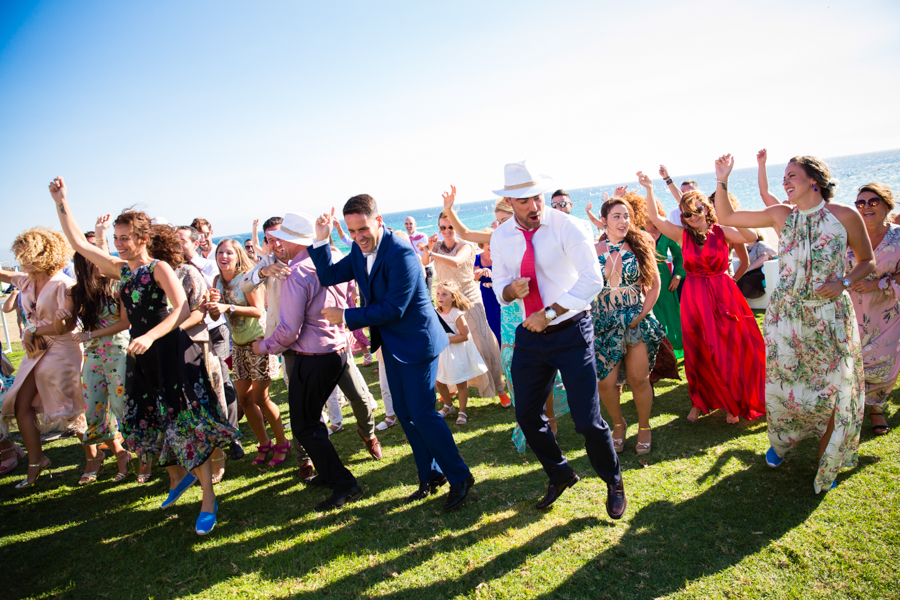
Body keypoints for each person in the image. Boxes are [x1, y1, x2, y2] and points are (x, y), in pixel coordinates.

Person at [51, 177, 240, 534]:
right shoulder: (123, 271)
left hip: (170, 350)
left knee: (187, 423)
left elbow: (182, 308)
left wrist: (151, 335)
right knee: (154, 421)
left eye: (126, 238)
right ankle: (179, 479)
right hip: (144, 357)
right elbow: (78, 243)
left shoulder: (159, 268)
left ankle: (209, 500)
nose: (120, 244)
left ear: (142, 239)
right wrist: (62, 201)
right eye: (117, 238)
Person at [712, 154, 871, 493]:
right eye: (784, 176)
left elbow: (866, 261)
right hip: (787, 317)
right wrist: (722, 179)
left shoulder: (844, 215)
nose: (786, 182)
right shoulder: (781, 215)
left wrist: (843, 282)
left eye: (792, 176)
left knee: (835, 386)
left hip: (829, 316)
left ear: (815, 180)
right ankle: (782, 442)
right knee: (787, 387)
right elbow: (725, 215)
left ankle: (826, 456)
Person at [310, 196, 474, 510]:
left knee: (423, 414)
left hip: (417, 343)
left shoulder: (401, 254)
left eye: (363, 229)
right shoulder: (359, 251)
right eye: (352, 231)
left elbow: (393, 308)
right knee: (405, 413)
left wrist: (346, 316)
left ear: (379, 221)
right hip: (393, 345)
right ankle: (429, 476)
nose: (358, 237)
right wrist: (321, 241)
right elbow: (329, 276)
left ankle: (460, 475)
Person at [490, 160, 626, 518]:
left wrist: (549, 313)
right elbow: (500, 291)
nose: (533, 207)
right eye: (523, 202)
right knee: (526, 415)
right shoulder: (501, 236)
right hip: (530, 337)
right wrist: (509, 290)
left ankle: (613, 480)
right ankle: (560, 472)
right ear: (510, 203)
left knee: (586, 420)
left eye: (536, 198)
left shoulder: (566, 226)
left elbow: (592, 279)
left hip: (571, 330)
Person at [251, 213, 365, 511]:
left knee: (304, 426)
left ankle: (345, 484)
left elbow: (289, 330)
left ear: (292, 241)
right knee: (310, 422)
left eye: (279, 239)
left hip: (314, 358)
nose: (276, 245)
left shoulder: (297, 272)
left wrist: (262, 346)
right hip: (336, 352)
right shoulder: (325, 263)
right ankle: (331, 475)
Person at [440, 190, 568, 442]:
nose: (499, 226)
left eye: (503, 220)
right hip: (508, 312)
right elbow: (465, 234)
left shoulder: (540, 236)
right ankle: (529, 420)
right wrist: (450, 209)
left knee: (544, 369)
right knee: (513, 369)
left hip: (533, 309)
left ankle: (549, 417)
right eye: (497, 221)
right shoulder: (498, 238)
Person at [642, 170, 765, 424]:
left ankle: (733, 402)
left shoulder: (722, 232)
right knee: (698, 349)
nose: (692, 217)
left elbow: (752, 237)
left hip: (723, 291)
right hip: (694, 295)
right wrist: (650, 189)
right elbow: (654, 217)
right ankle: (700, 400)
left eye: (698, 211)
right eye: (687, 214)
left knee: (727, 347)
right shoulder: (681, 235)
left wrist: (728, 215)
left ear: (707, 210)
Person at [0, 227, 85, 488]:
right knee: (19, 404)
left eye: (24, 252)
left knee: (73, 408)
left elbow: (67, 326)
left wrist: (33, 330)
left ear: (41, 252)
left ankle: (116, 451)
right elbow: (3, 274)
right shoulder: (25, 281)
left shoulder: (64, 284)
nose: (20, 257)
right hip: (34, 351)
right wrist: (31, 333)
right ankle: (36, 461)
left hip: (61, 350)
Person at [591, 199, 664, 456]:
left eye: (626, 216)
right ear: (604, 220)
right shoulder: (591, 250)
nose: (623, 221)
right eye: (616, 216)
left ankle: (644, 427)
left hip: (635, 319)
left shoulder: (641, 245)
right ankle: (619, 425)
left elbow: (655, 285)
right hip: (603, 322)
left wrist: (642, 314)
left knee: (638, 379)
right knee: (605, 384)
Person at [209, 239, 289, 467]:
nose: (224, 257)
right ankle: (264, 443)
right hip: (237, 344)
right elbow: (217, 317)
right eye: (220, 253)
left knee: (260, 398)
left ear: (238, 256)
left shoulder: (247, 276)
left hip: (258, 340)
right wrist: (214, 307)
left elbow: (257, 310)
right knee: (244, 399)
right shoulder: (217, 280)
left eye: (229, 253)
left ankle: (282, 443)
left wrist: (229, 307)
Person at [419, 212, 510, 406]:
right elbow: (424, 262)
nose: (447, 231)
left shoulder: (466, 246)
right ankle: (451, 389)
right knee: (450, 344)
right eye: (443, 227)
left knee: (482, 341)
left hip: (469, 298)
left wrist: (432, 251)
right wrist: (428, 248)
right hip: (446, 300)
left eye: (450, 227)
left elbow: (457, 261)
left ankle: (499, 388)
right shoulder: (436, 247)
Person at [67, 242, 133, 484]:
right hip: (93, 353)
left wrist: (91, 335)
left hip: (117, 349)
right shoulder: (77, 292)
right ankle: (120, 454)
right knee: (94, 409)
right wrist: (63, 317)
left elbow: (125, 324)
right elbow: (65, 324)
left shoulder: (118, 285)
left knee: (120, 405)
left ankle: (143, 457)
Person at [176, 225, 242, 460]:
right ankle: (211, 434)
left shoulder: (212, 264)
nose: (178, 244)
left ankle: (233, 435)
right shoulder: (171, 269)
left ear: (195, 242)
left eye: (182, 240)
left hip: (216, 331)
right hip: (191, 334)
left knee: (223, 382)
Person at [846, 182, 899, 436]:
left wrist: (878, 284)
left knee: (884, 361)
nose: (866, 207)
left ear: (887, 204)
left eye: (873, 202)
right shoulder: (846, 235)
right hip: (849, 308)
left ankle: (876, 409)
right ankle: (851, 410)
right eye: (860, 203)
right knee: (852, 361)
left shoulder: (898, 236)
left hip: (887, 309)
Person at [434, 281, 489, 425]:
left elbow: (465, 335)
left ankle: (462, 410)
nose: (440, 297)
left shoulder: (456, 314)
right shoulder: (435, 312)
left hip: (456, 353)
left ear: (453, 297)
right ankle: (448, 405)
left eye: (444, 294)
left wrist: (445, 339)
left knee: (460, 383)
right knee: (438, 382)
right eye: (438, 293)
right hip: (441, 354)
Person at [644, 203, 684, 357]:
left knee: (671, 315)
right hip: (645, 277)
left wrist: (677, 275)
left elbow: (679, 255)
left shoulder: (666, 232)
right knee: (653, 315)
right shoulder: (637, 232)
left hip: (665, 278)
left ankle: (676, 351)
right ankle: (658, 355)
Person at [473, 231, 501, 344]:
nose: (491, 245)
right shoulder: (477, 258)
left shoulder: (500, 256)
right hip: (486, 294)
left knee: (501, 320)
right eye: (488, 243)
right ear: (482, 245)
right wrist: (480, 272)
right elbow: (474, 277)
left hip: (499, 291)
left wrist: (492, 273)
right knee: (490, 321)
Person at [737, 229, 777, 299]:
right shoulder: (748, 248)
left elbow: (764, 258)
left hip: (763, 272)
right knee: (738, 278)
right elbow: (735, 252)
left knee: (746, 279)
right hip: (753, 272)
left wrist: (747, 269)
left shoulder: (761, 244)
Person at [405, 216, 433, 294]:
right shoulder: (405, 239)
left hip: (426, 268)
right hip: (414, 270)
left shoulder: (422, 237)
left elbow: (430, 251)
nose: (409, 226)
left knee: (428, 294)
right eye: (406, 224)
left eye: (411, 223)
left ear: (415, 224)